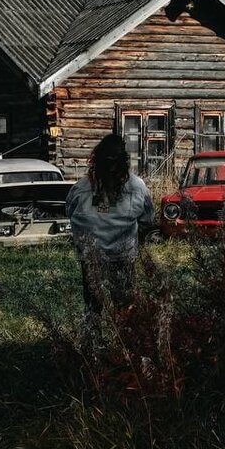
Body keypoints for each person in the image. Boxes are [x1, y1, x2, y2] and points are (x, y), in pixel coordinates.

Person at [66, 133, 155, 316]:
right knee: (124, 305)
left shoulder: (80, 188)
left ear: (96, 159)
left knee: (92, 306)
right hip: (122, 256)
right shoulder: (138, 187)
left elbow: (69, 211)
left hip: (91, 256)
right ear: (125, 160)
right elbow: (147, 220)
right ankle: (123, 341)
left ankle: (93, 340)